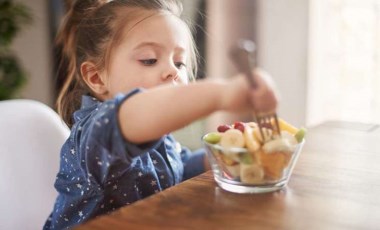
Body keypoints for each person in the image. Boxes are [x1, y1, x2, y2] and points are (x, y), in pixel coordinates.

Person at [44, 0, 278, 229]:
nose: (171, 71)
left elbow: (179, 168)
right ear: (96, 78)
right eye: (149, 60)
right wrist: (222, 94)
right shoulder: (95, 133)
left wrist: (223, 155)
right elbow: (134, 113)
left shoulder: (158, 134)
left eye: (179, 62)